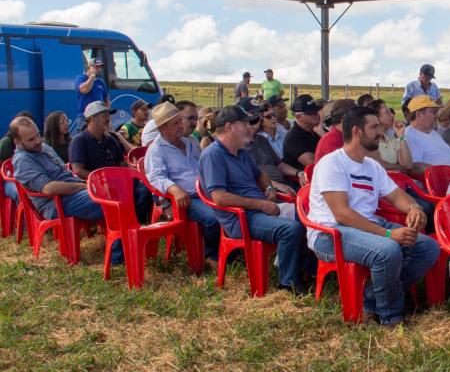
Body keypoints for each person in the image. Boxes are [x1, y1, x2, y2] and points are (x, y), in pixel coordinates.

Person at [308, 106, 439, 326]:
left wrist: (414, 208)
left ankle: (370, 300)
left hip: (365, 226)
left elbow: (397, 196)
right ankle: (392, 318)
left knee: (428, 248)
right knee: (388, 250)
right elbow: (342, 214)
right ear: (357, 131)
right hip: (329, 233)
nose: (380, 132)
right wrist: (388, 234)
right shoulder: (332, 163)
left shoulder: (371, 165)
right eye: (374, 127)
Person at [199, 105, 309, 294]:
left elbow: (260, 176)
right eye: (244, 124)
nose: (251, 128)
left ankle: (304, 269)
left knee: (307, 215)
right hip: (239, 218)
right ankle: (288, 283)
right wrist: (261, 204)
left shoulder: (241, 152)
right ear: (228, 127)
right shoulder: (213, 155)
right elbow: (219, 197)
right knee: (291, 229)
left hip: (256, 211)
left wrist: (268, 188)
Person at [10, 116, 128, 264]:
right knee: (113, 201)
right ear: (17, 142)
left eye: (38, 135)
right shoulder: (22, 160)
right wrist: (85, 186)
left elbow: (65, 171)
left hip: (72, 194)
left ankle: (126, 244)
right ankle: (117, 258)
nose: (38, 141)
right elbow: (48, 188)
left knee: (122, 191)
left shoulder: (43, 147)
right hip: (55, 204)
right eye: (31, 139)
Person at [144, 102, 220, 265]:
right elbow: (156, 177)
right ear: (164, 127)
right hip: (187, 199)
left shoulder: (190, 142)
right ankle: (211, 256)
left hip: (205, 191)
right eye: (175, 123)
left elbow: (202, 165)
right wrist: (174, 189)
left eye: (180, 120)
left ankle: (230, 251)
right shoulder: (156, 149)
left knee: (232, 208)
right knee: (214, 217)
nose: (181, 126)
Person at [69, 101, 153, 220]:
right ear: (93, 118)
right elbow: (78, 171)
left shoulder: (110, 140)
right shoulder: (79, 141)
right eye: (105, 115)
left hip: (117, 182)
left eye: (108, 115)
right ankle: (128, 222)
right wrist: (102, 179)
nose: (108, 119)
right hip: (98, 185)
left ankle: (133, 221)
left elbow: (123, 164)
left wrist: (139, 175)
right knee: (129, 192)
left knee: (146, 188)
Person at [248, 105, 306, 190]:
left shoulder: (261, 139)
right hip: (269, 190)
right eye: (250, 120)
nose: (255, 122)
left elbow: (280, 165)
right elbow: (250, 178)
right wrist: (275, 185)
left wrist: (299, 173)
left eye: (256, 118)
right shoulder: (238, 147)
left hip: (285, 183)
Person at [403, 95, 450, 176]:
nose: (437, 115)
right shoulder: (409, 135)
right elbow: (413, 167)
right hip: (447, 183)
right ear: (419, 115)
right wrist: (444, 172)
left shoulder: (432, 132)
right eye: (433, 112)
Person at [365, 99, 413, 172]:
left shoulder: (391, 139)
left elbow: (407, 165)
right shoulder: (367, 139)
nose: (392, 115)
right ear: (376, 117)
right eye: (387, 112)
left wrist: (401, 136)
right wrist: (397, 167)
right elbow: (377, 163)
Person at [283, 94, 322, 170]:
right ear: (299, 117)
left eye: (317, 110)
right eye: (311, 112)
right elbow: (314, 163)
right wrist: (324, 135)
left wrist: (322, 132)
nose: (316, 114)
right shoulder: (293, 138)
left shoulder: (316, 130)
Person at [73, 58, 109, 135]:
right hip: (84, 117)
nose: (99, 69)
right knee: (83, 139)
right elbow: (84, 90)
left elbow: (106, 99)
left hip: (99, 116)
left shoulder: (101, 82)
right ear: (90, 67)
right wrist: (92, 76)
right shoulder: (80, 78)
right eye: (96, 67)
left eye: (100, 67)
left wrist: (107, 115)